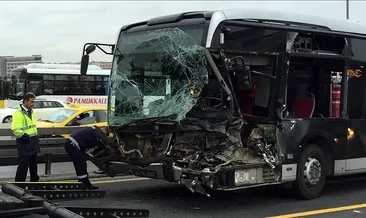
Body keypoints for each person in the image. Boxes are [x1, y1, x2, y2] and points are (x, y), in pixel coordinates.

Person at [11, 92, 40, 182]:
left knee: (33, 166)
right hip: (24, 143)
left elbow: (32, 127)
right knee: (23, 166)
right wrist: (24, 135)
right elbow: (15, 129)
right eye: (31, 102)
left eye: (33, 102)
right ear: (25, 101)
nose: (33, 104)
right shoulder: (18, 114)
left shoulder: (31, 112)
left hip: (33, 142)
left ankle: (34, 184)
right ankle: (19, 185)